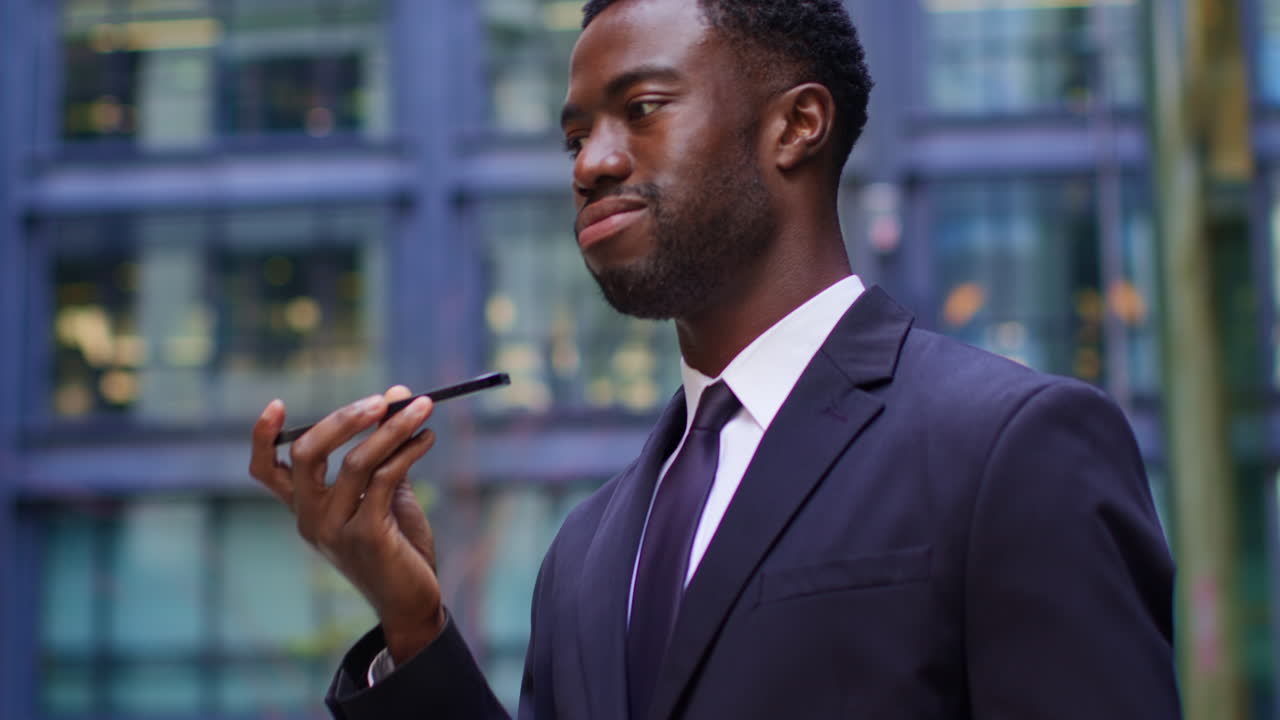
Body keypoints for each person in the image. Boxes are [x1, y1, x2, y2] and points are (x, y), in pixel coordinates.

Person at [249, 0, 1182, 717]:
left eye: (641, 110)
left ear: (796, 125)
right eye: (575, 137)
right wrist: (414, 627)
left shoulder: (1013, 450)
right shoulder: (582, 553)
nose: (589, 165)